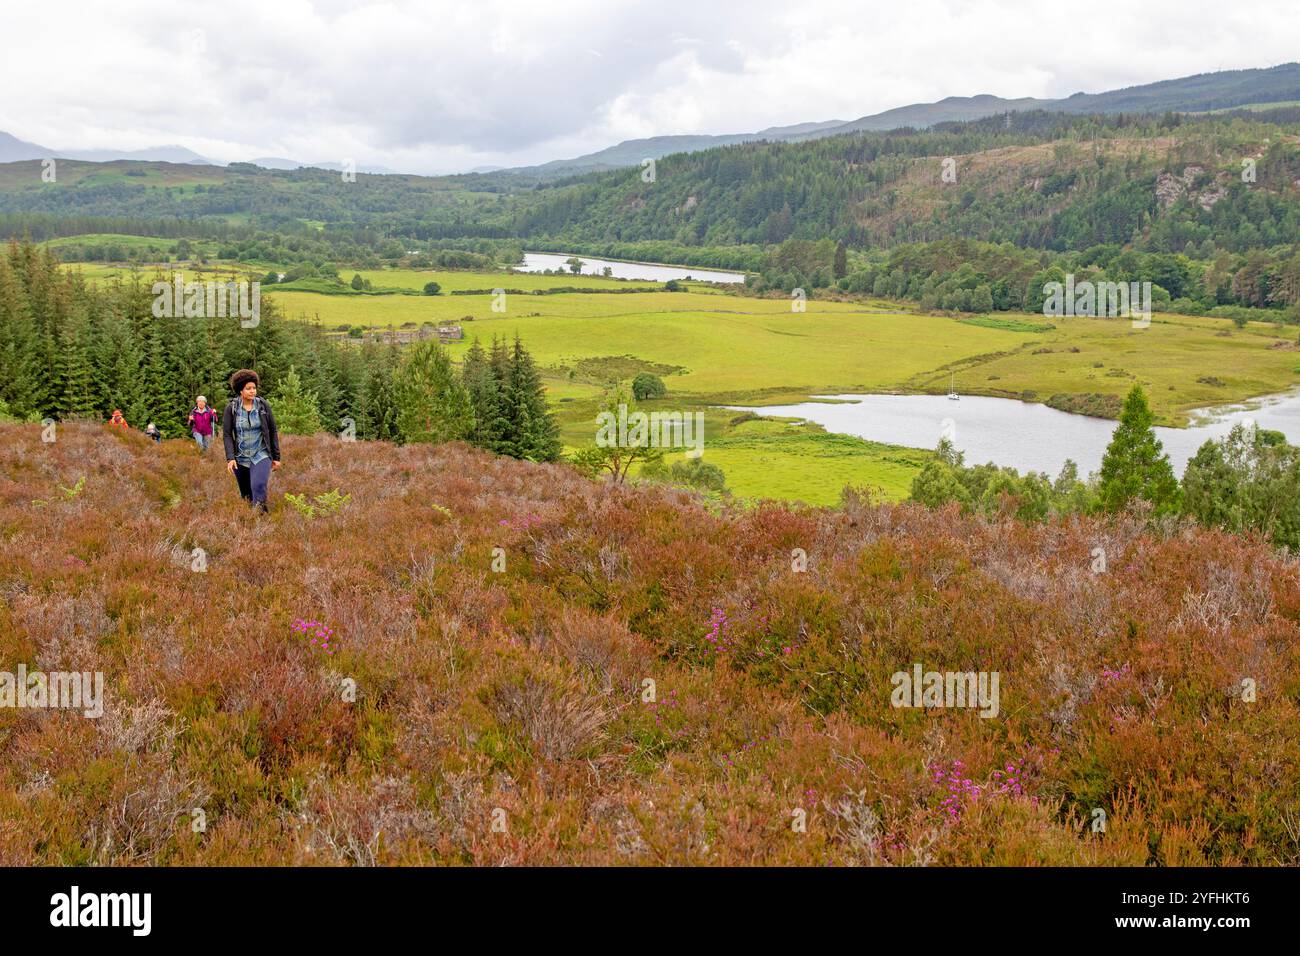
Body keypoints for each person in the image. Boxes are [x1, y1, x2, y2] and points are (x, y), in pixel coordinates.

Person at [222, 369, 281, 513]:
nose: (252, 391)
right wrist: (230, 458)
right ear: (240, 390)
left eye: (254, 388)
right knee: (246, 495)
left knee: (259, 486)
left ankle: (261, 522)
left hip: (261, 454)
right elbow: (227, 434)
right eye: (248, 388)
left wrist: (276, 457)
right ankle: (250, 526)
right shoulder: (232, 408)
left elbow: (272, 431)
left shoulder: (263, 406)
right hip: (240, 458)